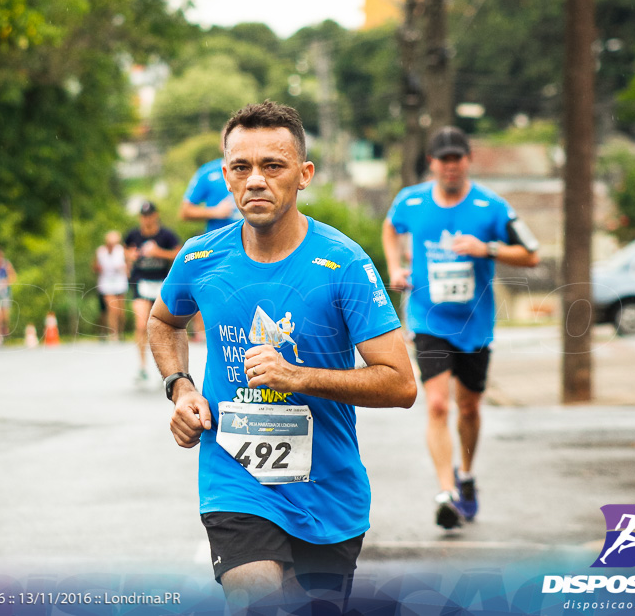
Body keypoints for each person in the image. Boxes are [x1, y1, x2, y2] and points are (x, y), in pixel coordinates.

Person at [149, 101, 417, 613]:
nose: (255, 181)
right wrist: (180, 388)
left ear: (303, 175)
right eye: (240, 167)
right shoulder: (200, 257)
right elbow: (163, 321)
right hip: (235, 482)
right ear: (225, 176)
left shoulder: (342, 263)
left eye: (272, 166)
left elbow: (400, 384)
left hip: (327, 495)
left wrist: (298, 376)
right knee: (258, 599)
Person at [383, 126, 540, 530]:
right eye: (443, 159)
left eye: (457, 158)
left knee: (469, 407)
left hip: (474, 324)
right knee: (437, 404)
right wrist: (396, 265)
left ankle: (466, 475)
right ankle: (446, 491)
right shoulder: (411, 200)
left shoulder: (492, 207)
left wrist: (485, 248)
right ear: (432, 163)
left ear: (468, 160)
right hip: (428, 317)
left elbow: (531, 255)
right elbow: (391, 227)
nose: (450, 166)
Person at [180, 153, 242, 343]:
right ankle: (206, 335)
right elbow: (185, 211)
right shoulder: (208, 172)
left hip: (256, 245)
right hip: (219, 249)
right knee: (210, 291)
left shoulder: (258, 169)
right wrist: (215, 211)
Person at [125, 202, 180, 386]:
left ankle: (164, 368)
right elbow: (125, 251)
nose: (147, 219)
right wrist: (129, 256)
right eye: (144, 216)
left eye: (150, 215)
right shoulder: (133, 235)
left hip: (161, 284)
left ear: (156, 215)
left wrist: (158, 253)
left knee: (162, 326)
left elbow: (179, 254)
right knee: (141, 325)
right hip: (141, 282)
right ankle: (142, 367)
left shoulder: (166, 235)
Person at [93, 231, 128, 342]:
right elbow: (94, 266)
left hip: (119, 282)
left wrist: (127, 269)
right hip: (106, 283)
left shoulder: (121, 251)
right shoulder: (100, 252)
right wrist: (97, 268)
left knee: (121, 312)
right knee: (113, 309)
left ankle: (121, 331)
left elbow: (128, 263)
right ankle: (114, 334)